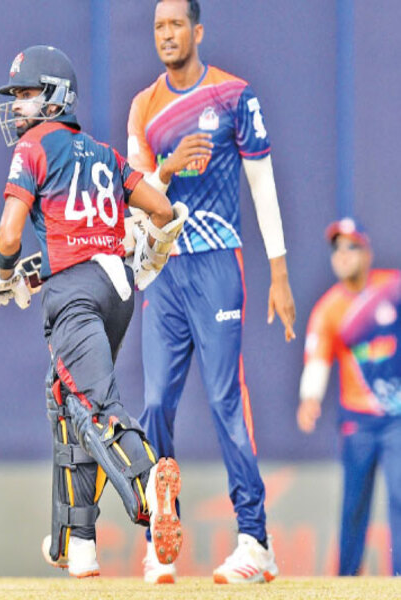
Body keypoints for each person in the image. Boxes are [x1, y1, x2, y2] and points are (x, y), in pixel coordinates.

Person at [0, 44, 188, 578]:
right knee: (67, 401)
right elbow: (162, 210)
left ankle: (149, 485)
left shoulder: (33, 148)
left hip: (74, 294)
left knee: (96, 407)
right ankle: (79, 543)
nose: (18, 105)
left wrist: (1, 275)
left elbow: (9, 234)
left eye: (27, 94)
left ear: (55, 97)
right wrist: (144, 249)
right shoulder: (103, 153)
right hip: (117, 289)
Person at [126, 0, 296, 584]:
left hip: (219, 263)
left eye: (176, 24)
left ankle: (256, 541)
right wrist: (168, 167)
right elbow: (137, 194)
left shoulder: (232, 95)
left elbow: (262, 182)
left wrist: (279, 272)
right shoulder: (144, 107)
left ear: (197, 30)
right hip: (165, 270)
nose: (166, 34)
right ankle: (159, 540)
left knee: (226, 400)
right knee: (155, 404)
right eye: (158, 26)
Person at [298, 217, 401, 576]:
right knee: (354, 505)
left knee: (400, 495)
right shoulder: (329, 308)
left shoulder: (392, 289)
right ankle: (346, 581)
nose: (343, 255)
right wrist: (310, 398)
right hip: (358, 421)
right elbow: (317, 358)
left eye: (351, 247)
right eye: (337, 248)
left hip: (396, 419)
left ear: (367, 253)